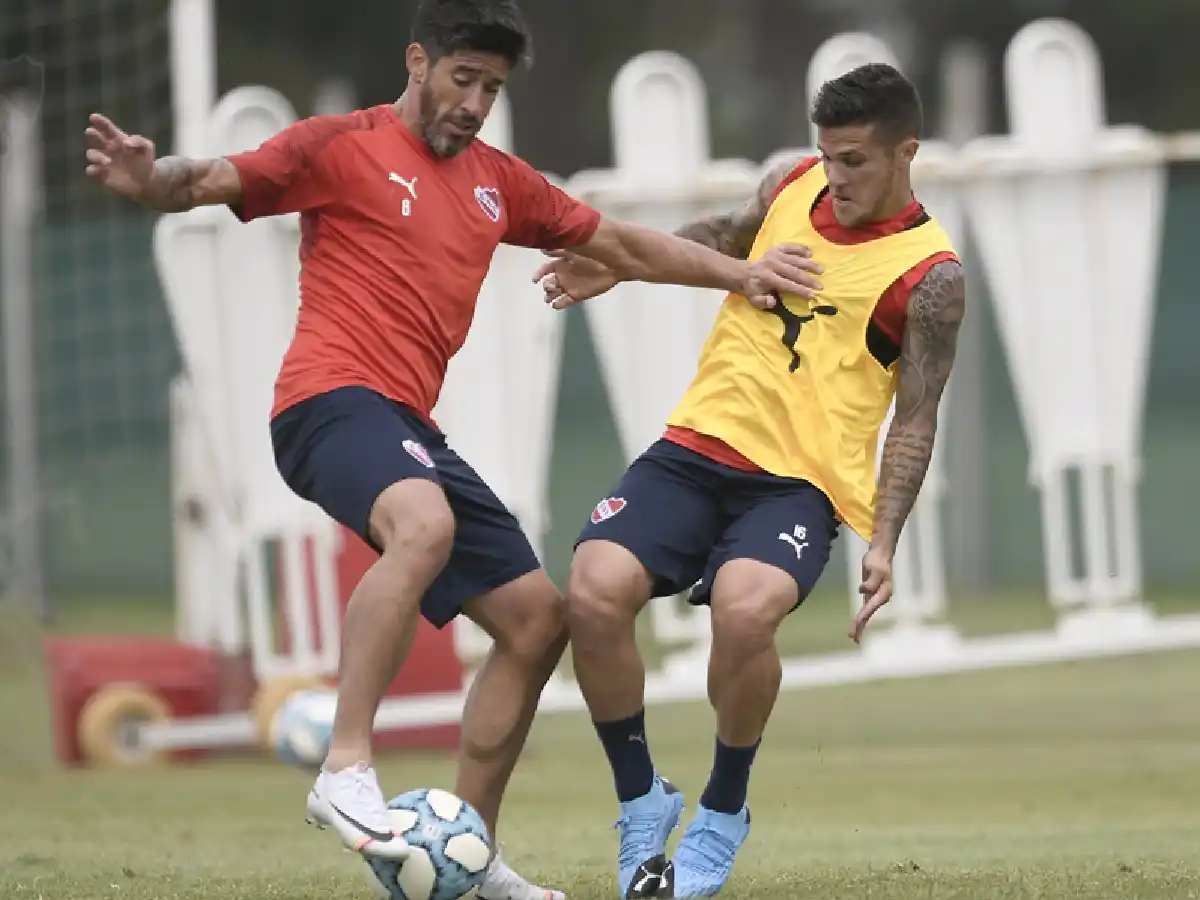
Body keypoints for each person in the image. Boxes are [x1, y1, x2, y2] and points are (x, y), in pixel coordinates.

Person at [84, 0, 823, 895]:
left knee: (536, 621)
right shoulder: (339, 147)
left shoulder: (498, 182)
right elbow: (209, 178)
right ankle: (345, 767)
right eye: (462, 79)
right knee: (423, 526)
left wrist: (743, 273)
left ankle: (466, 858)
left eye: (492, 87)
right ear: (418, 63)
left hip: (406, 427)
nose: (474, 102)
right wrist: (149, 176)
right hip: (327, 402)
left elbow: (621, 242)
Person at [537, 63, 965, 898]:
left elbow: (916, 415)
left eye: (854, 161)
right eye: (827, 156)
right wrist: (619, 263)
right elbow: (724, 237)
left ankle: (724, 811)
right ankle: (642, 803)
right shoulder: (790, 184)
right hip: (696, 447)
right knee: (590, 591)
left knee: (743, 610)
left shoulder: (932, 277)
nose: (833, 177)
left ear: (905, 152)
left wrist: (883, 540)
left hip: (798, 487)